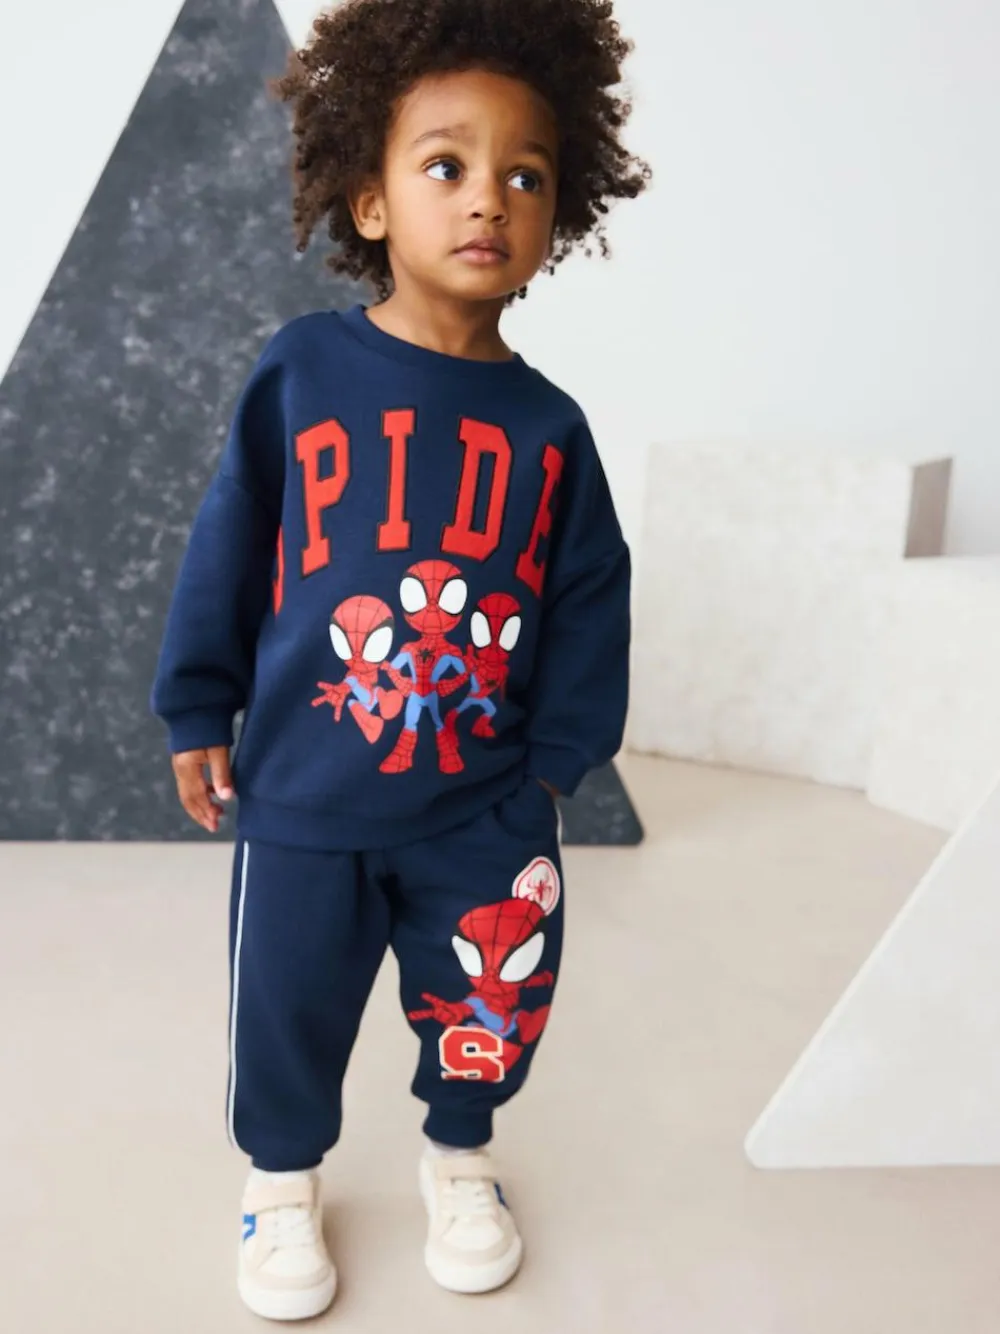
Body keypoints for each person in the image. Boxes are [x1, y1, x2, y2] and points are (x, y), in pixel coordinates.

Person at [150, 0, 649, 1320]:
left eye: (524, 175)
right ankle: (280, 1179)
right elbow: (230, 539)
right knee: (286, 1006)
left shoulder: (551, 429)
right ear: (370, 201)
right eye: (446, 163)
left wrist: (550, 770)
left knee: (490, 992)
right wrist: (199, 704)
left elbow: (590, 596)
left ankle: (459, 1155)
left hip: (482, 801)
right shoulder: (302, 371)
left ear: (557, 214)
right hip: (305, 791)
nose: (487, 197)